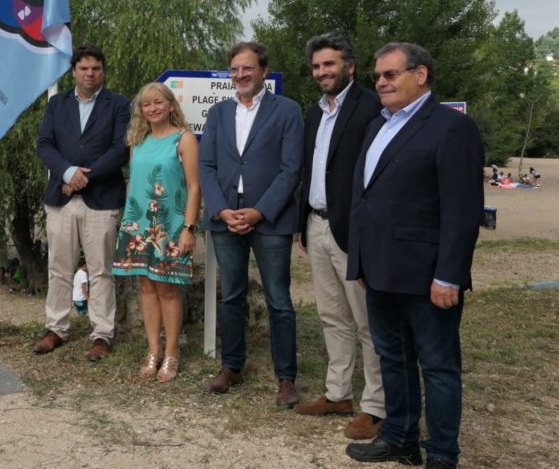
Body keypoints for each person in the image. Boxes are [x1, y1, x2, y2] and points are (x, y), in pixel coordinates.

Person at [345, 43, 483, 469]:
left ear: (420, 74)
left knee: (438, 367)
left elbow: (462, 209)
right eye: (377, 76)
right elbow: (366, 197)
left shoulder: (450, 127)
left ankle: (442, 454)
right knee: (394, 358)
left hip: (427, 275)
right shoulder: (377, 125)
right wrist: (362, 261)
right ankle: (400, 438)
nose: (381, 83)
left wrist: (449, 275)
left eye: (390, 74)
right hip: (381, 269)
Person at [198, 41, 304, 406]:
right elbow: (207, 167)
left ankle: (286, 379)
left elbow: (292, 169)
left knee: (279, 300)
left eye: (247, 68)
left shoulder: (287, 111)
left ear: (263, 70)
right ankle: (232, 367)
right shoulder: (217, 113)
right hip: (226, 215)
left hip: (270, 218)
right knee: (231, 296)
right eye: (234, 69)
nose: (240, 75)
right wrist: (221, 210)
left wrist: (260, 211)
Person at [293, 33, 385, 438]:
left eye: (329, 65)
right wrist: (304, 223)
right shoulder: (314, 112)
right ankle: (337, 393)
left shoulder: (373, 107)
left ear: (350, 66)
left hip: (354, 229)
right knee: (332, 316)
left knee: (368, 321)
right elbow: (311, 170)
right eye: (316, 66)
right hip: (317, 223)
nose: (321, 72)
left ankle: (377, 406)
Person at [34, 44, 131, 361]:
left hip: (101, 199)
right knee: (58, 267)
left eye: (96, 68)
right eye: (84, 68)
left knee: (101, 269)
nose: (90, 73)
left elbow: (120, 149)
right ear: (74, 70)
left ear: (103, 71)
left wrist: (83, 178)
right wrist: (67, 171)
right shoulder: (56, 104)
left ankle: (102, 333)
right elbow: (45, 144)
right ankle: (56, 328)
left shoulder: (118, 105)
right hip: (61, 198)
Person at [113, 82, 200, 382]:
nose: (153, 108)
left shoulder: (184, 139)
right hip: (139, 225)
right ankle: (153, 350)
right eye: (146, 104)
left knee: (167, 287)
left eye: (158, 102)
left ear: (171, 105)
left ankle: (172, 353)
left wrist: (189, 228)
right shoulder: (137, 140)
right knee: (146, 287)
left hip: (171, 225)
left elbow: (194, 186)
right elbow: (134, 183)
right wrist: (127, 222)